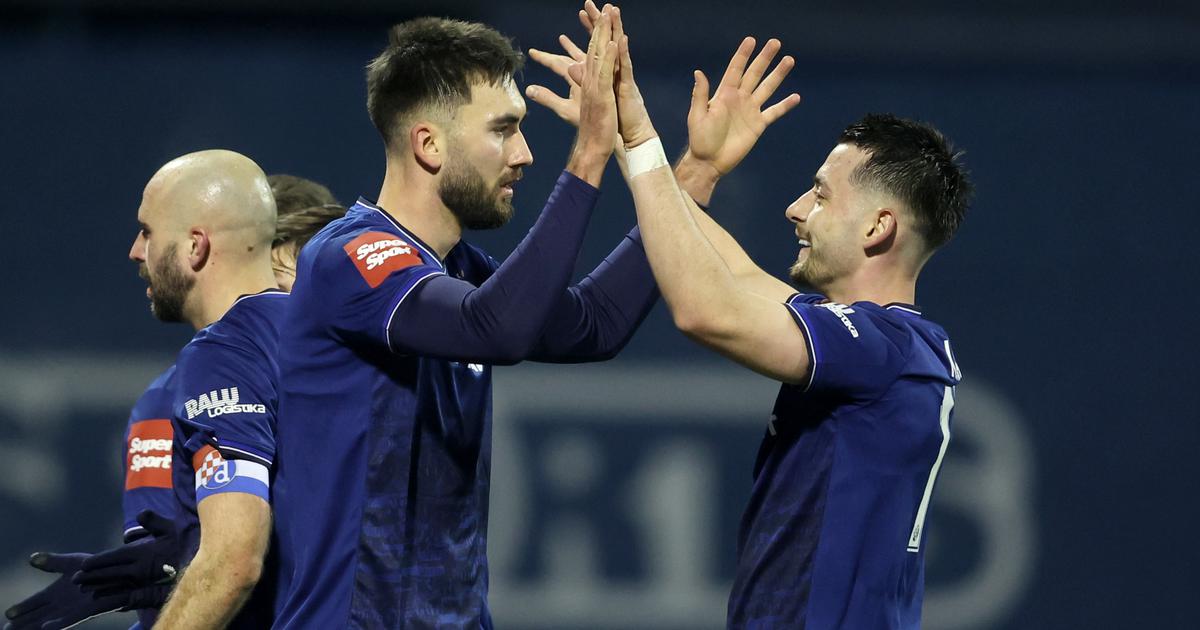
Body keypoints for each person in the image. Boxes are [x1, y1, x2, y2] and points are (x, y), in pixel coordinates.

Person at [269, 11, 664, 628]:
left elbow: (596, 323)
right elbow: (495, 329)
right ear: (428, 144)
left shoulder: (461, 269)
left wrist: (690, 174)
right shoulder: (351, 255)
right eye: (503, 130)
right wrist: (588, 153)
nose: (525, 154)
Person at [602, 9, 973, 626]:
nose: (796, 209)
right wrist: (692, 168)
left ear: (878, 227)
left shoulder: (877, 349)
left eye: (822, 195)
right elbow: (736, 277)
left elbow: (704, 310)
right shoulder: (887, 344)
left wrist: (643, 141)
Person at [2, 176, 346, 630]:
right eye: (287, 277)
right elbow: (217, 567)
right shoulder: (170, 400)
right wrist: (171, 567)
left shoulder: (362, 373)